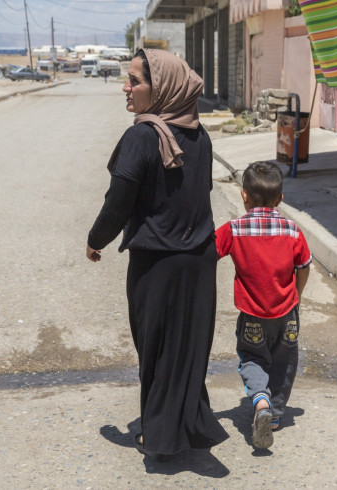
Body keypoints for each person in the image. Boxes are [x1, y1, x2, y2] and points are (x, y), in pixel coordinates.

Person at [86, 48, 229, 457]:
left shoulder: (141, 136)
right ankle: (187, 426)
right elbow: (198, 195)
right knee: (186, 349)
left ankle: (159, 435)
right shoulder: (199, 135)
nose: (126, 88)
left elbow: (119, 202)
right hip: (200, 260)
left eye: (135, 81)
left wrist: (96, 240)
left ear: (161, 87)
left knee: (156, 350)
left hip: (157, 266)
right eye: (127, 79)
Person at [215, 161, 312, 449]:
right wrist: (297, 294)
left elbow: (206, 253)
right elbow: (304, 266)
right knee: (284, 362)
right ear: (280, 199)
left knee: (253, 357)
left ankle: (260, 401)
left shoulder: (234, 229)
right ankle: (274, 416)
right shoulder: (293, 231)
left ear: (243, 195)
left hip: (252, 315)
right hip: (288, 313)